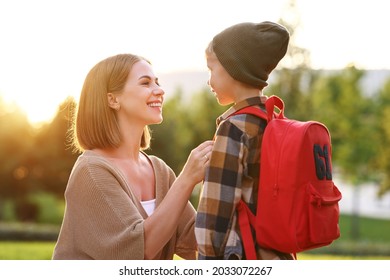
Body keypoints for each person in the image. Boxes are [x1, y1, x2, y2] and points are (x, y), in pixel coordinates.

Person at [52, 53, 213, 260]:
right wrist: (187, 179)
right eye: (145, 83)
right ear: (112, 99)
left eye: (157, 82)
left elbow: (199, 239)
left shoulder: (160, 170)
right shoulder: (92, 171)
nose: (160, 90)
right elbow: (137, 251)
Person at [194, 21, 294, 260]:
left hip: (243, 255)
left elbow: (216, 211)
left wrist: (205, 257)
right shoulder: (275, 121)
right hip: (278, 253)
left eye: (212, 69)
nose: (209, 81)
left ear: (233, 68)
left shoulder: (233, 128)